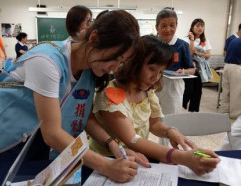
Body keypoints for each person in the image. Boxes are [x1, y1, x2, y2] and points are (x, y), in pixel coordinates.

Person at [0, 10, 141, 186]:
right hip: (2, 140)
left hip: (36, 141)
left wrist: (114, 147)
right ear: (94, 37)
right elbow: (52, 133)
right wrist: (105, 166)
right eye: (114, 58)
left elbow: (85, 117)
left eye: (121, 62)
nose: (114, 67)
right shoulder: (47, 60)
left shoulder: (90, 69)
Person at [90, 35, 220, 175]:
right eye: (152, 69)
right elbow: (132, 139)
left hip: (137, 159)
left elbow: (153, 123)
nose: (156, 77)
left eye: (160, 71)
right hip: (108, 161)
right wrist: (183, 158)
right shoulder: (110, 94)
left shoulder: (147, 92)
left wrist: (169, 131)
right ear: (133, 62)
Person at [154, 9, 196, 115]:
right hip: (153, 84)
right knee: (150, 116)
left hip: (173, 87)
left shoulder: (182, 45)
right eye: (163, 26)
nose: (168, 29)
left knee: (171, 117)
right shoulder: (152, 44)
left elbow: (192, 69)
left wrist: (184, 72)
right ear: (157, 27)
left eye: (172, 25)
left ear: (176, 26)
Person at [183, 18, 212, 112]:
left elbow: (208, 55)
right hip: (189, 67)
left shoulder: (205, 40)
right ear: (192, 27)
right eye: (198, 26)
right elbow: (191, 52)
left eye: (202, 26)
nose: (200, 28)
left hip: (200, 69)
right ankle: (183, 105)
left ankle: (193, 110)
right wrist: (191, 39)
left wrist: (199, 53)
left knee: (197, 91)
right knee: (188, 89)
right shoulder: (186, 39)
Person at [220, 37, 241, 119]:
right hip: (236, 68)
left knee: (226, 91)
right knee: (236, 92)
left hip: (227, 66)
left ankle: (224, 112)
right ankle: (235, 114)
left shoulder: (234, 40)